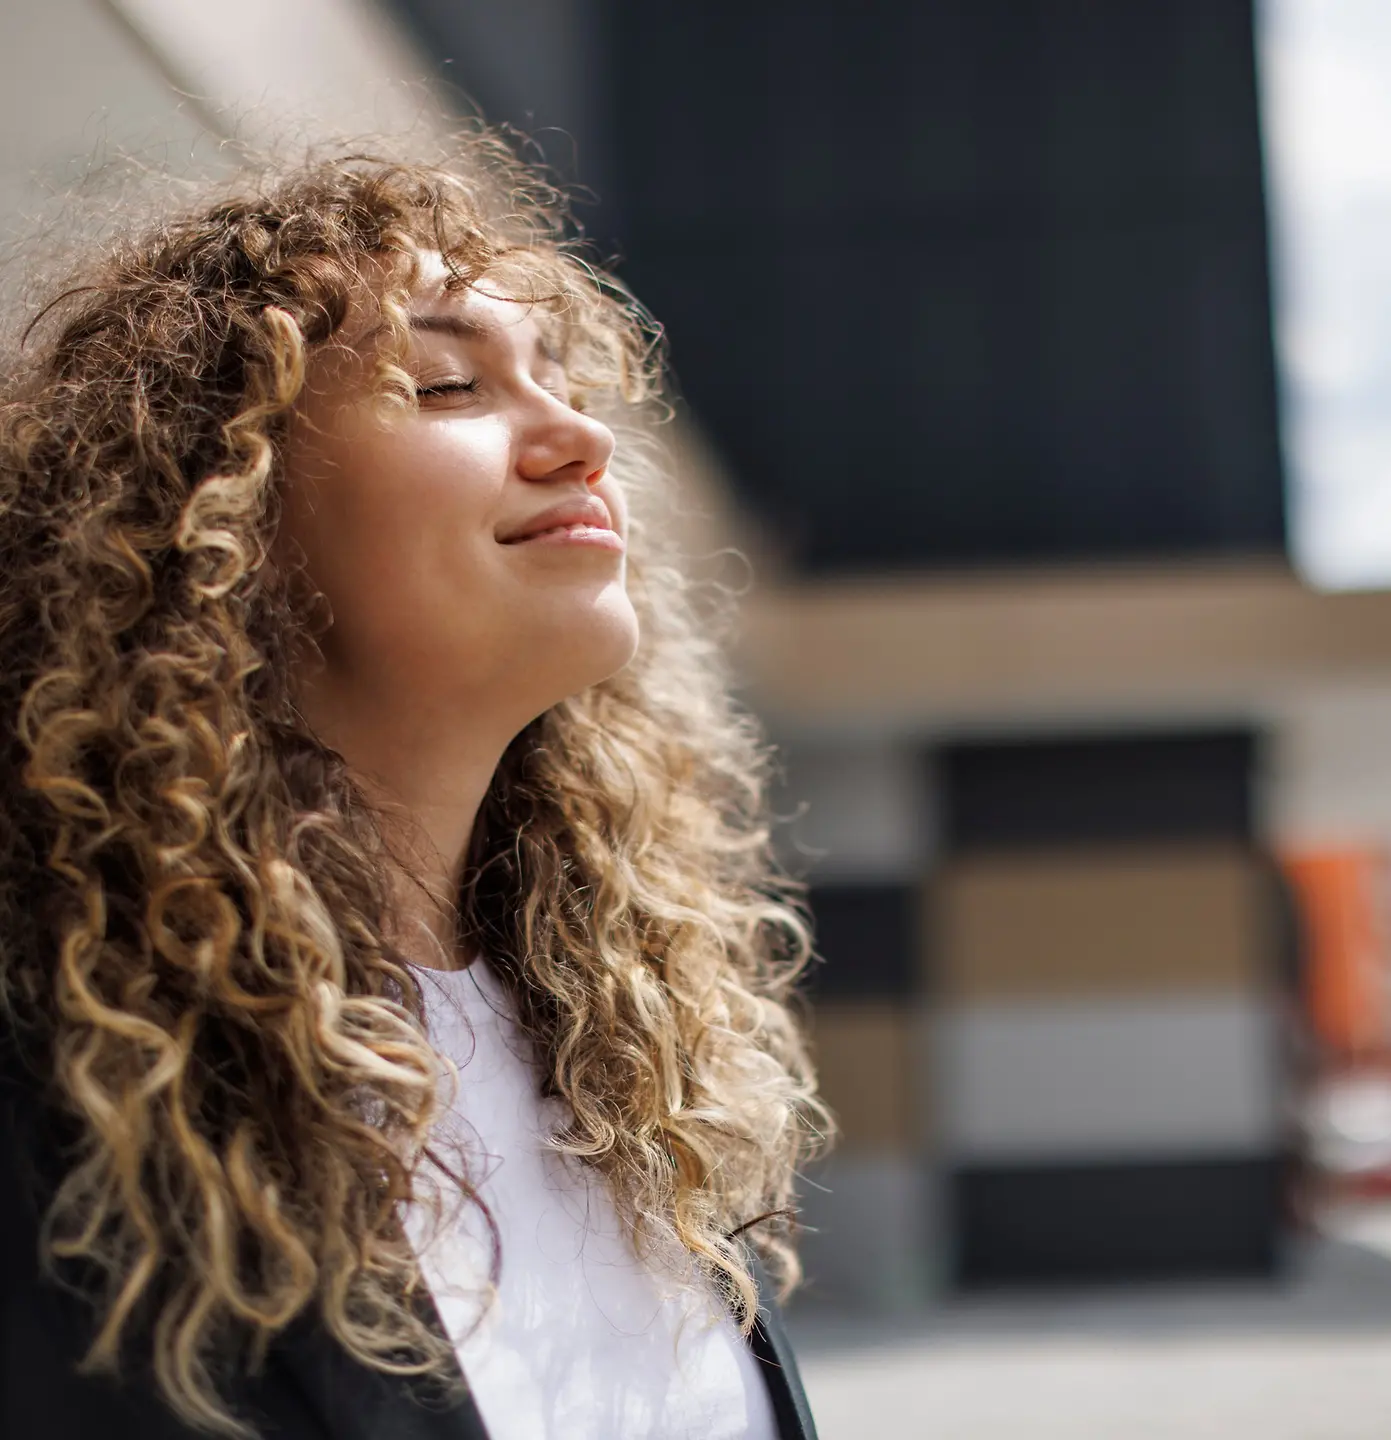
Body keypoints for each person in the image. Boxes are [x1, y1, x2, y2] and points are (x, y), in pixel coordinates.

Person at [0, 132, 829, 1439]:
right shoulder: (68, 1084)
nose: (576, 437)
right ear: (225, 514)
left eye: (559, 375)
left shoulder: (613, 1060)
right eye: (447, 386)